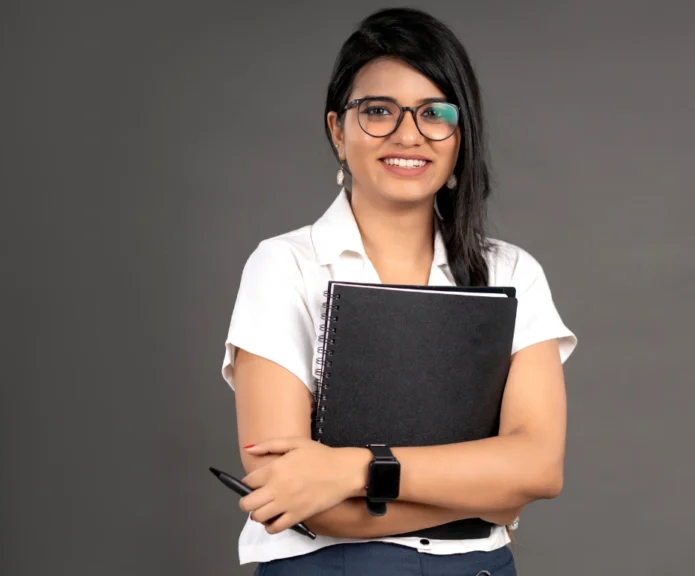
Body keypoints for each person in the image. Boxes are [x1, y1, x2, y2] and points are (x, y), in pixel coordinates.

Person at [220, 7, 577, 575]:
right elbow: (298, 501)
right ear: (338, 130)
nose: (408, 134)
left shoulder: (510, 273)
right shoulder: (284, 266)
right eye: (379, 111)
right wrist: (481, 489)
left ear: (461, 134)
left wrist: (352, 471)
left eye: (435, 112)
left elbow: (537, 470)